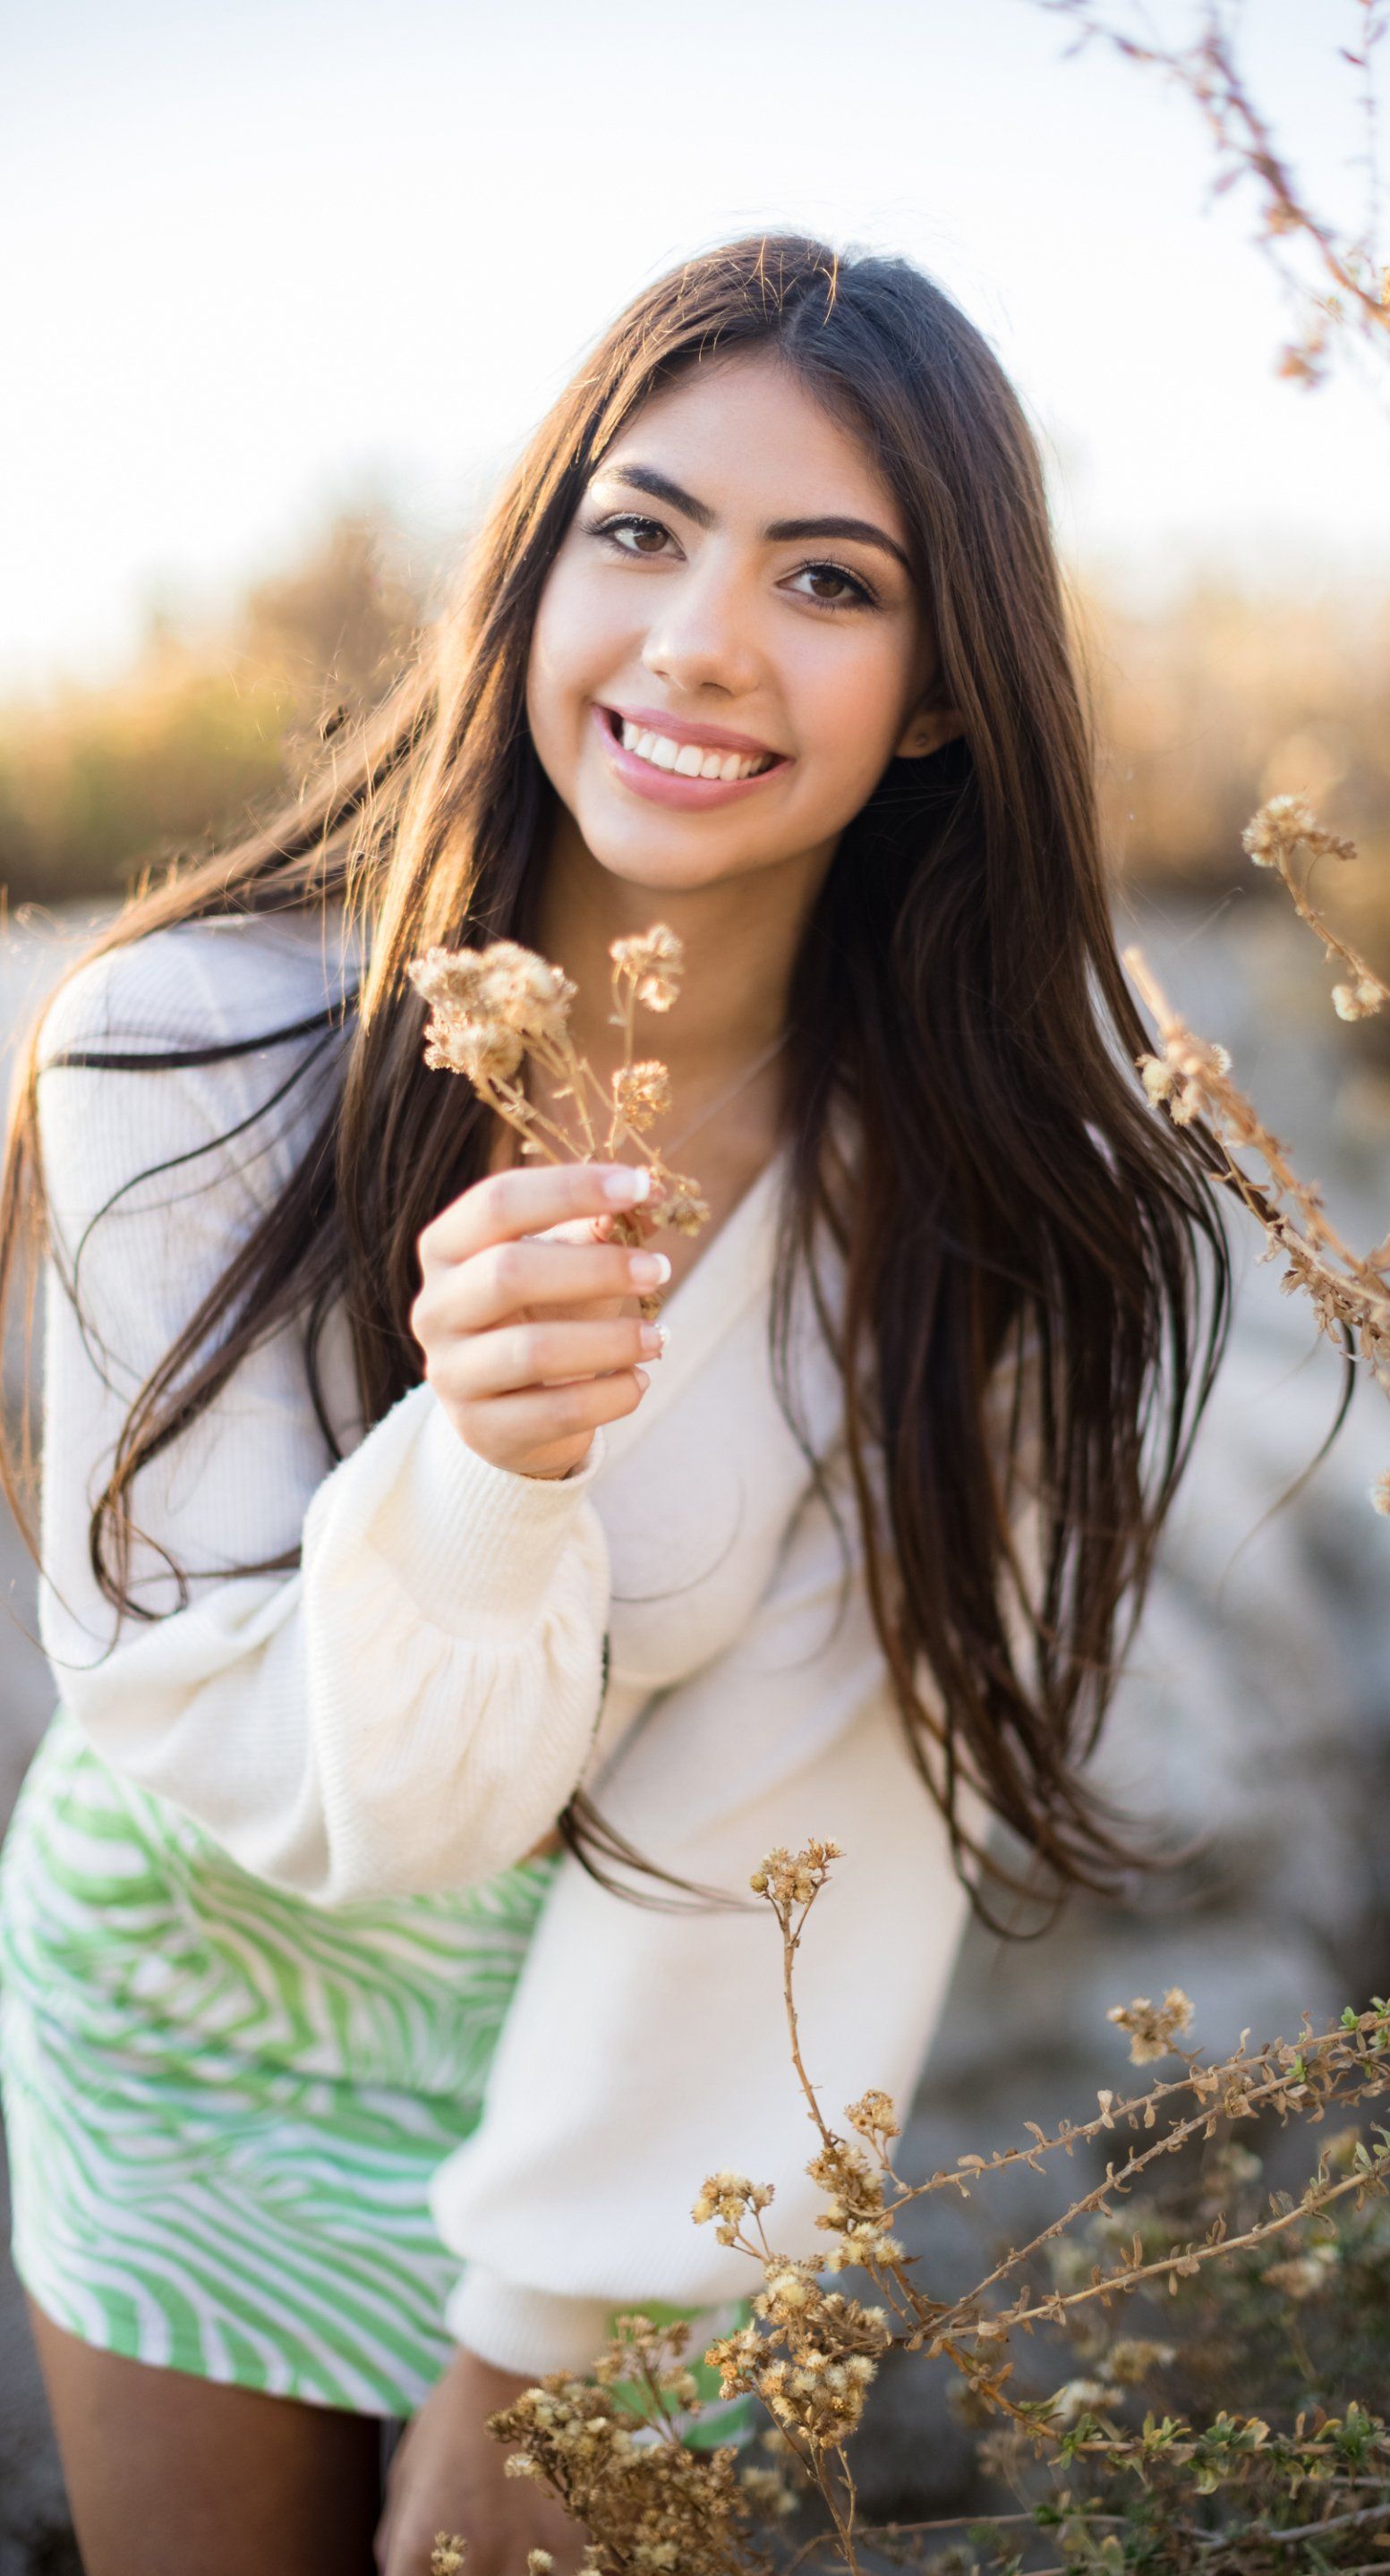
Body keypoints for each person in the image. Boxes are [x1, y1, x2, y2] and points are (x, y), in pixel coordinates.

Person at [0, 232, 1232, 2574]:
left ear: (947, 695)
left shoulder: (948, 1201)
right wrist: (483, 1474)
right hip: (193, 1985)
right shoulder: (175, 1049)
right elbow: (246, 1748)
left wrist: (554, 2334)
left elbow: (830, 1810)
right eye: (639, 531)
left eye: (831, 581)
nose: (698, 641)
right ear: (533, 569)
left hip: (643, 2037)